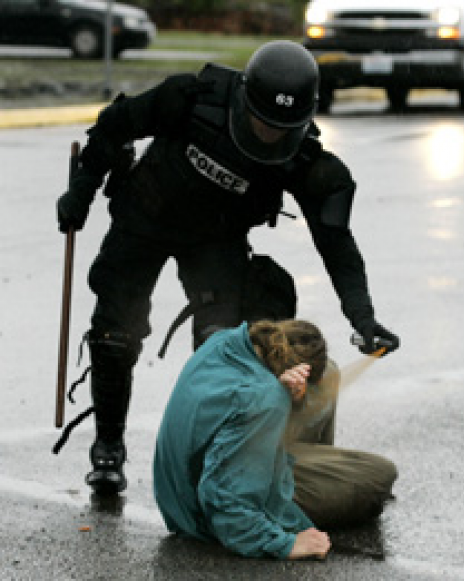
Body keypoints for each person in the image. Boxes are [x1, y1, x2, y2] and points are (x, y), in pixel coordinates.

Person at [55, 40, 399, 495]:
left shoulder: (303, 160)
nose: (269, 135)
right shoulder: (192, 98)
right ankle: (108, 448)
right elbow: (114, 125)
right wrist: (81, 191)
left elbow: (335, 242)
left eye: (282, 127)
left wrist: (363, 316)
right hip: (146, 215)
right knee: (116, 332)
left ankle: (210, 459)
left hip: (214, 239)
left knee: (222, 346)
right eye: (261, 122)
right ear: (244, 99)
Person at [153, 319, 397, 559]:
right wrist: (284, 543)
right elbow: (225, 499)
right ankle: (303, 495)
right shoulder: (264, 399)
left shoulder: (227, 342)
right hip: (198, 511)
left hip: (180, 485)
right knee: (380, 475)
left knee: (329, 372)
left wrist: (293, 399)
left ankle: (308, 481)